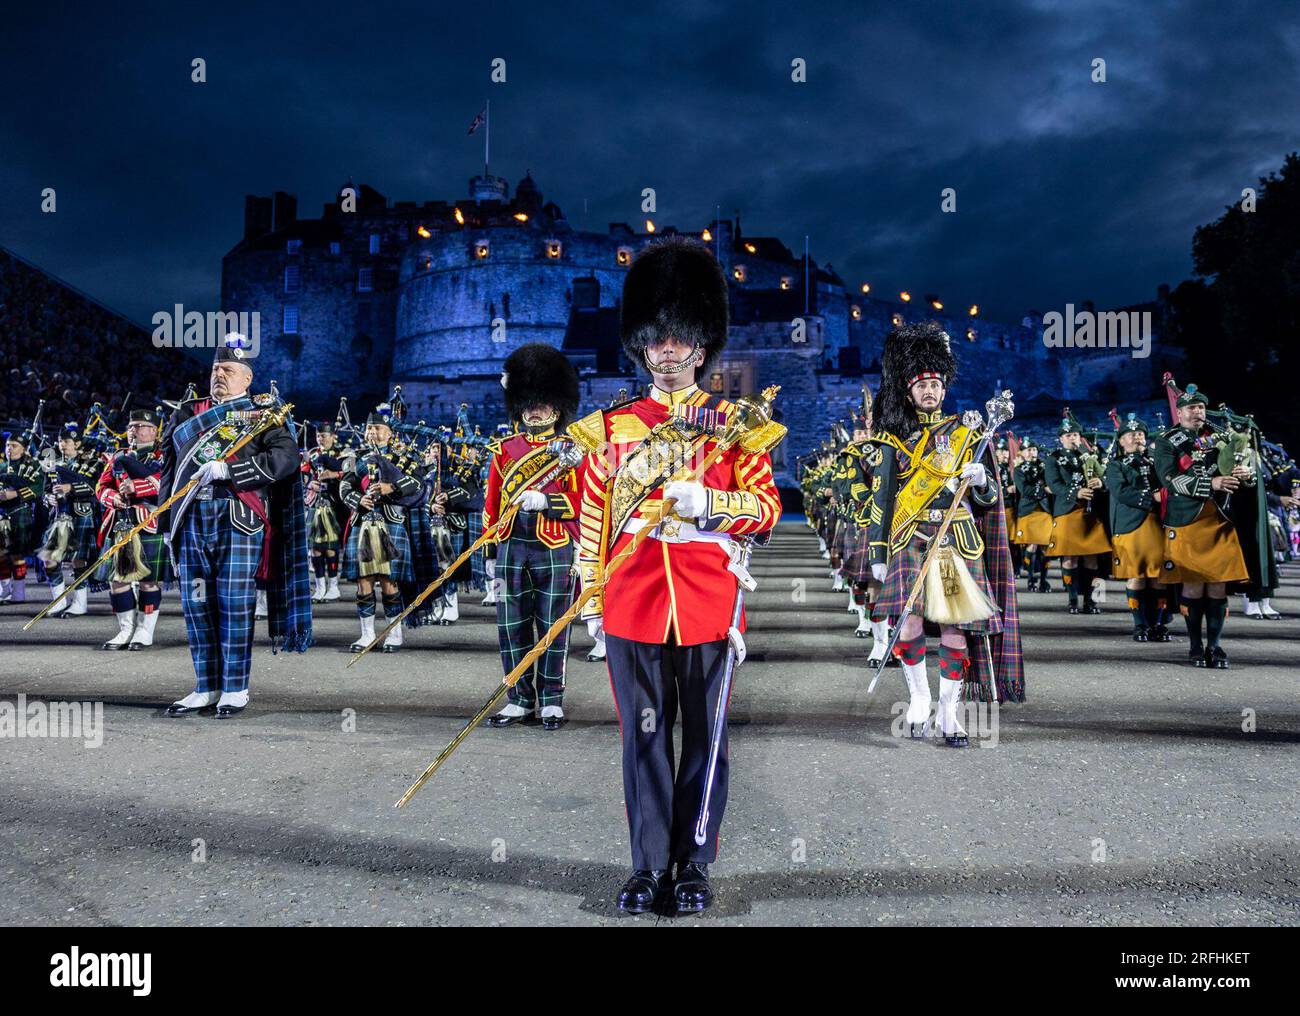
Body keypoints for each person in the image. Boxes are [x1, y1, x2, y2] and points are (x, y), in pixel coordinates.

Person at [568, 238, 784, 914]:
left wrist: (712, 505)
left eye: (681, 337)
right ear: (640, 345)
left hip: (709, 603)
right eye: (657, 338)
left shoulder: (734, 429)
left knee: (705, 741)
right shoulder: (607, 430)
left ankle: (692, 864)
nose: (667, 349)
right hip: (632, 601)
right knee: (645, 738)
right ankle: (644, 866)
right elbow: (590, 519)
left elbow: (767, 510)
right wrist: (591, 599)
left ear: (702, 345)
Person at [868, 322, 1024, 746]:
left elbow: (991, 500)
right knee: (908, 623)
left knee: (955, 628)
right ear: (909, 391)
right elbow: (882, 499)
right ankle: (920, 699)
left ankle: (949, 714)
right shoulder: (893, 439)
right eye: (923, 385)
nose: (931, 392)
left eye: (936, 384)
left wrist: (979, 481)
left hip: (956, 538)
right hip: (910, 537)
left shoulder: (966, 433)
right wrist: (878, 553)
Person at [158, 335, 311, 717]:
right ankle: (205, 686)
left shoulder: (263, 413)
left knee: (234, 604)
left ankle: (235, 688)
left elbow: (287, 459)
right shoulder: (187, 413)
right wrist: (165, 523)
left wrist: (232, 469)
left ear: (247, 379)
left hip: (238, 519)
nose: (219, 376)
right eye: (215, 369)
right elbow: (168, 470)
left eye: (228, 370)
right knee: (196, 604)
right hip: (190, 518)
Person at [483, 343, 582, 731]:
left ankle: (552, 699)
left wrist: (548, 501)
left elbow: (586, 499)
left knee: (553, 626)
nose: (534, 410)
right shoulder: (504, 451)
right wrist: (491, 549)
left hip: (554, 546)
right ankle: (519, 698)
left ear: (556, 407)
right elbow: (492, 503)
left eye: (541, 402)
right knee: (511, 626)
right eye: (528, 403)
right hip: (512, 546)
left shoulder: (571, 450)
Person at [1151, 384, 1250, 667]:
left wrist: (1244, 475)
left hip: (1219, 518)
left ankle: (1215, 646)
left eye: (1202, 408)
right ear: (1180, 412)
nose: (1198, 412)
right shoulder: (1167, 440)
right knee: (1193, 585)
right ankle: (1195, 646)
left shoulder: (1219, 437)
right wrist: (1211, 482)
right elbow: (1169, 478)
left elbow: (1238, 475)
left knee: (1218, 586)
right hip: (1186, 518)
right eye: (1192, 408)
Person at [339, 405, 423, 653]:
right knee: (363, 581)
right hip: (364, 522)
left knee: (389, 581)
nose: (372, 432)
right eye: (369, 428)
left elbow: (416, 483)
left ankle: (393, 633)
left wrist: (391, 489)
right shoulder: (356, 457)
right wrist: (358, 501)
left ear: (390, 433)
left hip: (391, 522)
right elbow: (345, 487)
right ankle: (367, 635)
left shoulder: (403, 457)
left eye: (377, 428)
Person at [94, 408, 171, 649]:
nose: (133, 431)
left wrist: (136, 487)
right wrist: (112, 497)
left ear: (154, 431)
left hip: (149, 522)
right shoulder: (119, 454)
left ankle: (144, 631)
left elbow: (166, 483)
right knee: (117, 580)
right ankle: (125, 630)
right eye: (130, 427)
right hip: (119, 523)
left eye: (139, 426)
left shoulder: (164, 454)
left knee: (149, 580)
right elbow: (101, 486)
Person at [1103, 414, 1172, 642]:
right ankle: (1140, 624)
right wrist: (1152, 497)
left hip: (1158, 524)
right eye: (1131, 434)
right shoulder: (1115, 465)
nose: (1137, 437)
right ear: (1121, 441)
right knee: (1137, 575)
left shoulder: (1157, 463)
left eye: (1140, 433)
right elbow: (1121, 492)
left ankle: (1158, 623)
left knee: (1158, 576)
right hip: (1131, 524)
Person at [1042, 417, 1111, 613]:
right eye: (1068, 435)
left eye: (1075, 435)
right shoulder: (1054, 458)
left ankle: (1091, 600)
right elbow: (1054, 485)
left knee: (1092, 559)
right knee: (1069, 559)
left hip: (1091, 512)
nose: (1072, 438)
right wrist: (1076, 493)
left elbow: (1104, 475)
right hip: (1068, 511)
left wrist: (1101, 482)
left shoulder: (1091, 455)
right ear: (1061, 439)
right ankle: (1072, 599)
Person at [38, 421, 103, 618]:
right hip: (60, 515)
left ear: (77, 443)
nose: (62, 445)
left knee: (78, 560)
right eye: (60, 441)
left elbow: (95, 488)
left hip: (81, 513)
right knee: (48, 558)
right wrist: (48, 498)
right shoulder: (53, 464)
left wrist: (71, 488)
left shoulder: (92, 463)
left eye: (66, 441)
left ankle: (80, 603)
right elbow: (45, 491)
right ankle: (59, 601)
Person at [307, 421, 351, 603]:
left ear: (334, 436)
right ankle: (320, 587)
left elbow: (352, 472)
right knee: (315, 549)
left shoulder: (344, 453)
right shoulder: (312, 455)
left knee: (331, 549)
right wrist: (310, 484)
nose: (320, 439)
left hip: (335, 505)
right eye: (318, 436)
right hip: (316, 504)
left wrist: (334, 475)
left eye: (324, 436)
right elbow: (304, 476)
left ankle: (333, 587)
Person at [0, 429, 44, 604]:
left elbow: (39, 488)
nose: (10, 448)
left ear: (24, 449)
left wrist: (16, 494)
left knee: (17, 554)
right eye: (8, 445)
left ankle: (19, 593)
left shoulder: (33, 466)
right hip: (2, 513)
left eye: (14, 446)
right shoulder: (2, 466)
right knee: (1, 554)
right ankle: (4, 590)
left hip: (21, 512)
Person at [1013, 438, 1052, 592]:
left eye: (1034, 449)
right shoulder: (1018, 470)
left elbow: (1052, 482)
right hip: (1028, 511)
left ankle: (1044, 580)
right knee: (1032, 546)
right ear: (1022, 453)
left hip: (1044, 511)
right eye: (1028, 449)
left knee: (1045, 547)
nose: (1032, 452)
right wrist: (1043, 488)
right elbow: (1025, 490)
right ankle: (1031, 579)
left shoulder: (1044, 467)